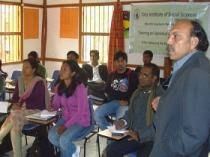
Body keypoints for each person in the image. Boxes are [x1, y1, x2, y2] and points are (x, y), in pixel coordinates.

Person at [149, 19, 210, 157]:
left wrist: (165, 148)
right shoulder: (187, 66)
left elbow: (194, 134)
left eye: (176, 36)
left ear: (193, 42)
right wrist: (164, 101)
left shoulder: (198, 72)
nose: (169, 41)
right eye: (169, 36)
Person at [105, 63, 164, 157]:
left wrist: (139, 135)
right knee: (111, 150)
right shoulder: (138, 92)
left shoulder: (161, 97)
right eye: (140, 74)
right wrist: (122, 122)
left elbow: (160, 126)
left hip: (151, 139)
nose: (140, 77)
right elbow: (130, 113)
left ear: (154, 79)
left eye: (145, 75)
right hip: (134, 134)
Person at [0, 59, 49, 157]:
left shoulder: (38, 82)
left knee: (14, 115)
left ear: (34, 69)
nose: (23, 69)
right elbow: (15, 98)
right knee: (15, 128)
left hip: (36, 112)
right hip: (21, 112)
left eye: (27, 67)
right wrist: (14, 103)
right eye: (23, 67)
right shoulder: (20, 80)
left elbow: (39, 104)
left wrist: (20, 106)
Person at [48, 60, 91, 157]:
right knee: (51, 136)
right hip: (66, 117)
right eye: (61, 69)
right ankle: (74, 149)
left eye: (65, 69)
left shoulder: (80, 87)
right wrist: (50, 106)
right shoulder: (60, 86)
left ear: (73, 73)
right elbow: (56, 106)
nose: (61, 72)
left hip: (81, 120)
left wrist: (65, 126)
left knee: (64, 140)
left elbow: (80, 112)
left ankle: (69, 151)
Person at [94, 51, 138, 130]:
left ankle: (113, 137)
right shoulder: (111, 75)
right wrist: (107, 98)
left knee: (119, 125)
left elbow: (136, 92)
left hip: (125, 104)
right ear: (114, 62)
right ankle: (109, 133)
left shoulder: (132, 75)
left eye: (122, 61)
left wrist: (128, 102)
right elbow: (107, 90)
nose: (120, 63)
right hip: (113, 102)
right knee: (96, 114)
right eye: (118, 61)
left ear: (126, 62)